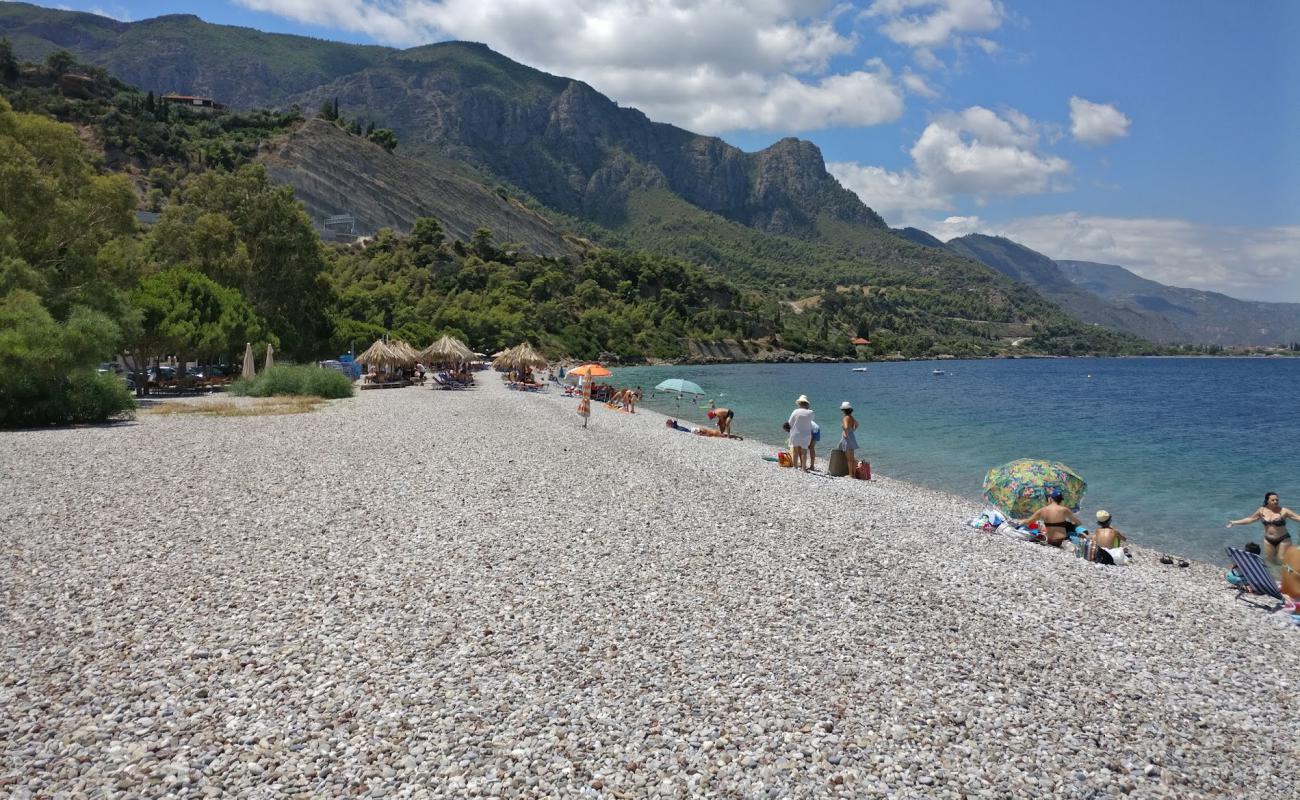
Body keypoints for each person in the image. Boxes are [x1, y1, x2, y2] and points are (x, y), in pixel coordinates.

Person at [1227, 492, 1300, 563]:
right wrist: (1234, 522)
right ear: (1267, 500)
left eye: (1277, 500)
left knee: (1282, 559)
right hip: (1268, 540)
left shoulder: (1284, 511)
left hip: (1283, 539)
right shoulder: (1261, 510)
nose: (1275, 501)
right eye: (1273, 500)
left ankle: (1284, 574)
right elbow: (1250, 519)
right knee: (1270, 560)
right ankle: (1271, 575)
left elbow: (1297, 518)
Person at [786, 395, 815, 471]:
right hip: (806, 434)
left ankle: (795, 467)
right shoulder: (811, 412)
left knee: (795, 451)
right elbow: (811, 420)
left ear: (799, 403)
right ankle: (804, 468)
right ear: (807, 404)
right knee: (804, 452)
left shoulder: (795, 411)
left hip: (795, 433)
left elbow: (790, 422)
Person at [837, 402, 859, 473]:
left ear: (843, 410)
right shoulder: (851, 417)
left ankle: (851, 475)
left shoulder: (845, 418)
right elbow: (857, 424)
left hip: (847, 437)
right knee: (852, 458)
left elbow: (846, 427)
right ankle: (854, 474)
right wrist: (852, 430)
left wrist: (845, 431)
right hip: (852, 436)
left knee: (849, 459)